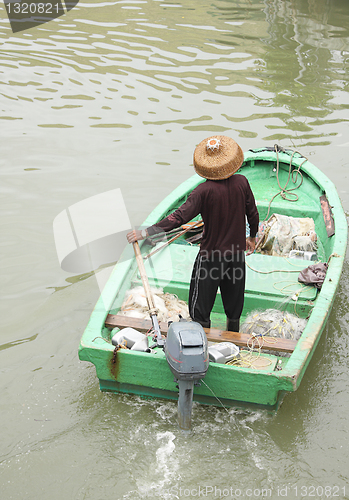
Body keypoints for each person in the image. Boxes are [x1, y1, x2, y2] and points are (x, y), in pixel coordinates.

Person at [127, 135, 259, 332]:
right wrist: (252, 236)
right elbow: (252, 213)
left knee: (200, 309)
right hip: (236, 255)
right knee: (234, 306)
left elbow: (178, 218)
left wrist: (145, 232)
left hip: (211, 258)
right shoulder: (242, 182)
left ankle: (200, 342)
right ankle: (234, 340)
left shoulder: (202, 191)